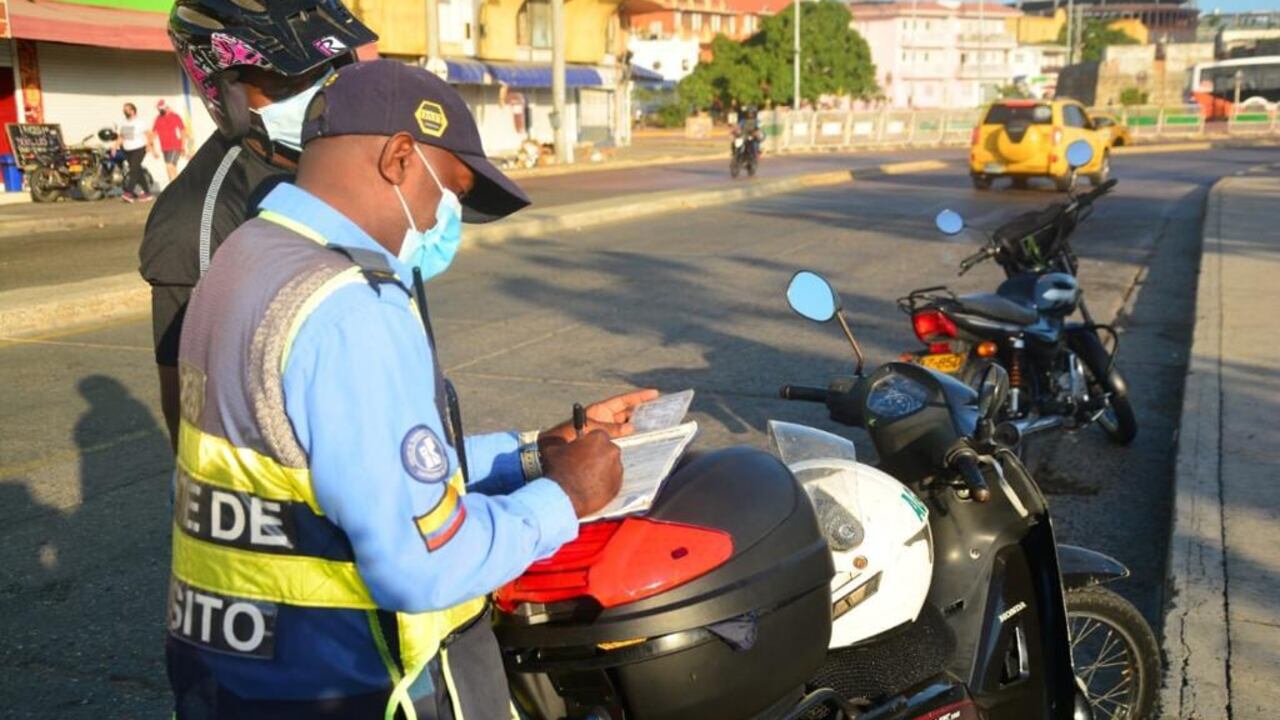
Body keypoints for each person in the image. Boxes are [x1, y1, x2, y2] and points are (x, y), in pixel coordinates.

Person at [165, 58, 655, 719]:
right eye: (445, 190)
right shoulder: (351, 307)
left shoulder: (246, 256)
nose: (440, 216)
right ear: (399, 158)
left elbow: (346, 471)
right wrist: (566, 495)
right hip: (342, 682)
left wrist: (533, 453)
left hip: (228, 670)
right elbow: (421, 563)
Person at [139, 0, 378, 450]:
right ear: (225, 92)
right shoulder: (197, 220)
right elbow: (194, 405)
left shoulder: (342, 160)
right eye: (283, 81)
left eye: (329, 69)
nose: (319, 90)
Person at [116, 102, 153, 202]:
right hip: (127, 150)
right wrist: (115, 147)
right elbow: (122, 136)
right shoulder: (124, 122)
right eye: (124, 109)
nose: (124, 111)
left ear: (132, 110)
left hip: (139, 148)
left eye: (127, 109)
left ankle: (129, 193)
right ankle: (147, 193)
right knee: (137, 170)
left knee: (133, 170)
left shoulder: (140, 122)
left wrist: (149, 145)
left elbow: (149, 134)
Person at [151, 99, 187, 181]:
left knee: (169, 165)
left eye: (160, 109)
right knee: (172, 167)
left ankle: (173, 187)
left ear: (166, 107)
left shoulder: (175, 116)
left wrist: (183, 146)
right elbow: (154, 134)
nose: (159, 110)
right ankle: (177, 186)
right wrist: (153, 149)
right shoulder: (158, 118)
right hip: (164, 147)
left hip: (175, 145)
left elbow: (182, 131)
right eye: (158, 109)